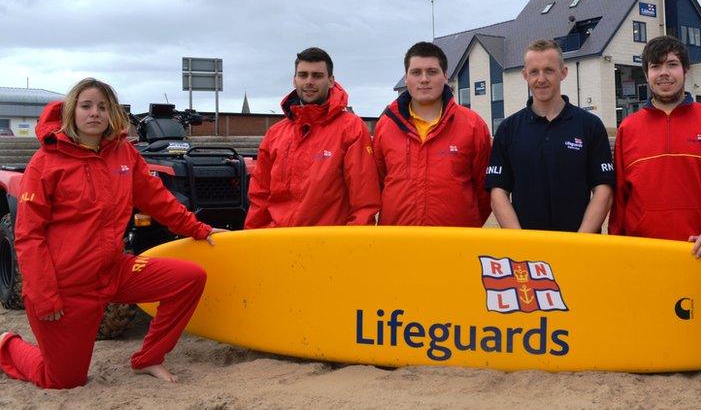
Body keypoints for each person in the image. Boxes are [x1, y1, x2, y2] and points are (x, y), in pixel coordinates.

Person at [0, 78, 223, 389]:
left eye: (103, 107)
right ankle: (7, 344)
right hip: (66, 286)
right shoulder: (45, 162)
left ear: (112, 113)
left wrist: (196, 228)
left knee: (189, 279)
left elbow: (157, 199)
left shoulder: (123, 155)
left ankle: (149, 358)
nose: (95, 113)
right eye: (87, 106)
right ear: (71, 111)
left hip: (113, 271)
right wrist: (43, 294)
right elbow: (29, 236)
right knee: (62, 380)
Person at [608, 36, 701, 257]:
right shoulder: (628, 128)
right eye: (656, 66)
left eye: (672, 64)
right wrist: (616, 248)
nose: (664, 72)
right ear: (647, 75)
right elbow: (619, 200)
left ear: (686, 70)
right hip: (642, 255)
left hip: (700, 253)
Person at [485, 39, 614, 232]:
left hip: (579, 246)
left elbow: (603, 189)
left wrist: (580, 242)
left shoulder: (590, 126)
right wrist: (521, 241)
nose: (541, 78)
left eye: (549, 70)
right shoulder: (508, 129)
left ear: (563, 72)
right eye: (534, 72)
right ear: (525, 75)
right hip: (527, 252)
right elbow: (498, 192)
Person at [245, 47, 380, 228]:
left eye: (317, 76)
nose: (309, 81)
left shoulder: (351, 129)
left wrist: (353, 247)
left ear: (331, 81)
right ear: (294, 80)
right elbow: (260, 195)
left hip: (328, 245)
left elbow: (364, 201)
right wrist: (255, 239)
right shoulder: (275, 134)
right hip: (278, 242)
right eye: (303, 75)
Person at [373, 42, 491, 226]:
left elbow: (484, 192)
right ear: (406, 78)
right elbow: (377, 184)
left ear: (445, 76)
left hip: (455, 243)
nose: (424, 79)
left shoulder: (473, 125)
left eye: (432, 72)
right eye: (416, 72)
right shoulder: (386, 126)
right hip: (398, 242)